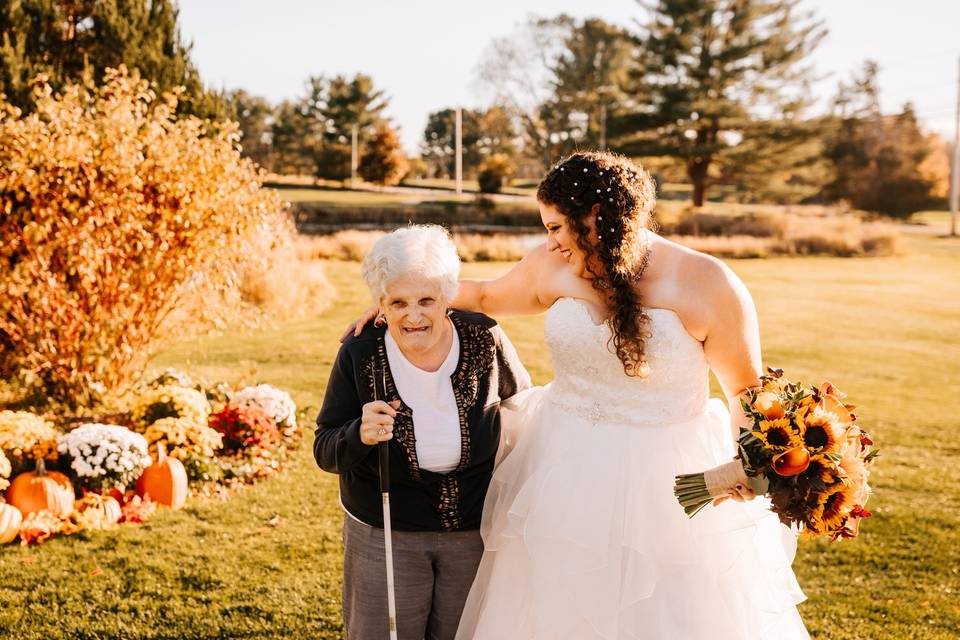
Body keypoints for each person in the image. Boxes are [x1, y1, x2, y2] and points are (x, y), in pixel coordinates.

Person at [347, 151, 809, 639]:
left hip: (668, 480)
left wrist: (748, 466)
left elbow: (747, 393)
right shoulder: (552, 266)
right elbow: (483, 297)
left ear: (595, 218)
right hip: (562, 472)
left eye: (555, 227)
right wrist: (398, 305)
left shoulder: (708, 282)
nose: (549, 242)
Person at [315, 225, 531, 640]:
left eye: (426, 300)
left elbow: (523, 407)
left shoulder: (484, 338)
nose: (413, 316)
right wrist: (359, 433)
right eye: (398, 302)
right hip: (387, 531)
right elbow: (325, 448)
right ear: (381, 304)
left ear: (447, 298)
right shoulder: (361, 352)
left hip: (472, 528)